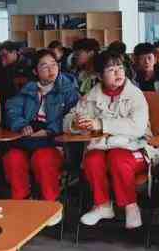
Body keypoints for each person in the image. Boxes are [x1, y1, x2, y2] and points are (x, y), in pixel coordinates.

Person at [64, 50, 152, 230]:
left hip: (135, 150)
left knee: (117, 158)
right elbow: (68, 120)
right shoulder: (91, 96)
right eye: (111, 70)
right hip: (102, 149)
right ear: (99, 75)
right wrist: (76, 123)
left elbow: (137, 127)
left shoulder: (135, 95)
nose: (118, 73)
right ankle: (102, 205)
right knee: (91, 159)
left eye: (120, 67)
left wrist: (100, 123)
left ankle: (131, 206)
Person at [2, 49, 79, 226]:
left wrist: (49, 130)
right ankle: (21, 202)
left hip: (55, 141)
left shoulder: (68, 90)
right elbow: (11, 110)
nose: (51, 70)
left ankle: (51, 204)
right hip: (28, 139)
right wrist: (22, 125)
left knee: (42, 158)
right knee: (12, 158)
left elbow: (72, 117)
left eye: (54, 65)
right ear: (35, 71)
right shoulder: (29, 89)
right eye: (44, 66)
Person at [132, 43, 159, 116]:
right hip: (138, 118)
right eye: (142, 58)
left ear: (155, 59)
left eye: (149, 58)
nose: (147, 62)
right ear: (137, 61)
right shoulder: (133, 81)